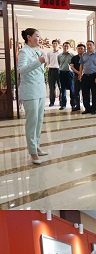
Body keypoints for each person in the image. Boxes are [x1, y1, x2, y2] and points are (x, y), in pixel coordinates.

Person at [17, 28, 48, 165]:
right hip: (30, 91)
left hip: (40, 90)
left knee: (39, 121)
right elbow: (21, 70)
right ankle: (32, 152)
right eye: (37, 36)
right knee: (32, 122)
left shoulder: (37, 51)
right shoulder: (24, 52)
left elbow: (37, 71)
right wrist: (38, 61)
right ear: (29, 37)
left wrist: (43, 63)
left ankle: (36, 145)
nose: (40, 39)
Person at [80, 40, 96, 115]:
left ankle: (94, 109)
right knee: (85, 93)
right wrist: (80, 74)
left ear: (94, 46)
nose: (89, 46)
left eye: (90, 45)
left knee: (94, 93)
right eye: (87, 45)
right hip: (85, 76)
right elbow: (81, 65)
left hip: (94, 76)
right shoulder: (84, 55)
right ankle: (87, 108)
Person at [57, 41, 74, 110]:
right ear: (62, 46)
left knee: (72, 89)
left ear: (69, 47)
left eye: (67, 46)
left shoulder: (72, 55)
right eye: (65, 46)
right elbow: (59, 63)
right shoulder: (59, 55)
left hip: (70, 73)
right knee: (62, 89)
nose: (66, 47)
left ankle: (73, 104)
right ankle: (63, 105)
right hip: (61, 73)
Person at [46, 39, 62, 107]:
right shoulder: (49, 53)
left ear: (58, 45)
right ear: (52, 45)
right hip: (51, 70)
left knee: (61, 86)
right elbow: (48, 62)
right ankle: (52, 102)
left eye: (56, 44)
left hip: (59, 70)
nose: (55, 45)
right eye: (53, 43)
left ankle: (61, 101)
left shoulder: (61, 53)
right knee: (52, 87)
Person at [69, 43, 85, 111]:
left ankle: (86, 105)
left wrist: (81, 73)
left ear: (84, 50)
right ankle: (77, 105)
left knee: (85, 91)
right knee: (76, 91)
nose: (80, 50)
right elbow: (72, 66)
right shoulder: (74, 58)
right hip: (76, 75)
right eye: (79, 49)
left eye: (81, 49)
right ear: (77, 49)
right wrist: (78, 73)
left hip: (84, 75)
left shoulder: (86, 57)